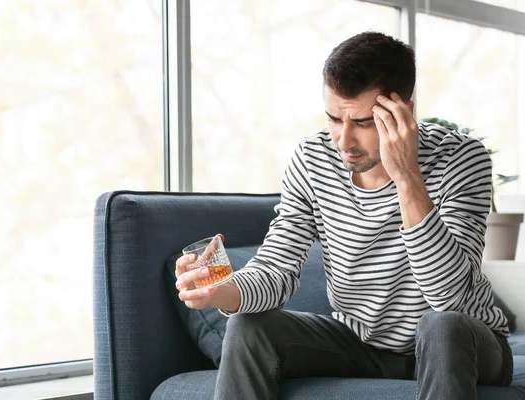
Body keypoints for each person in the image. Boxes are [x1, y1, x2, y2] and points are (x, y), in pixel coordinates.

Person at [174, 31, 513, 400]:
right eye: (335, 119)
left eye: (363, 123)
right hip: (359, 344)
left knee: (441, 327)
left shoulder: (463, 159)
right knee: (247, 327)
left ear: (403, 112)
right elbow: (276, 270)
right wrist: (222, 292)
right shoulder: (312, 159)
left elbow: (451, 299)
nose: (343, 141)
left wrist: (408, 177)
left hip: (466, 342)